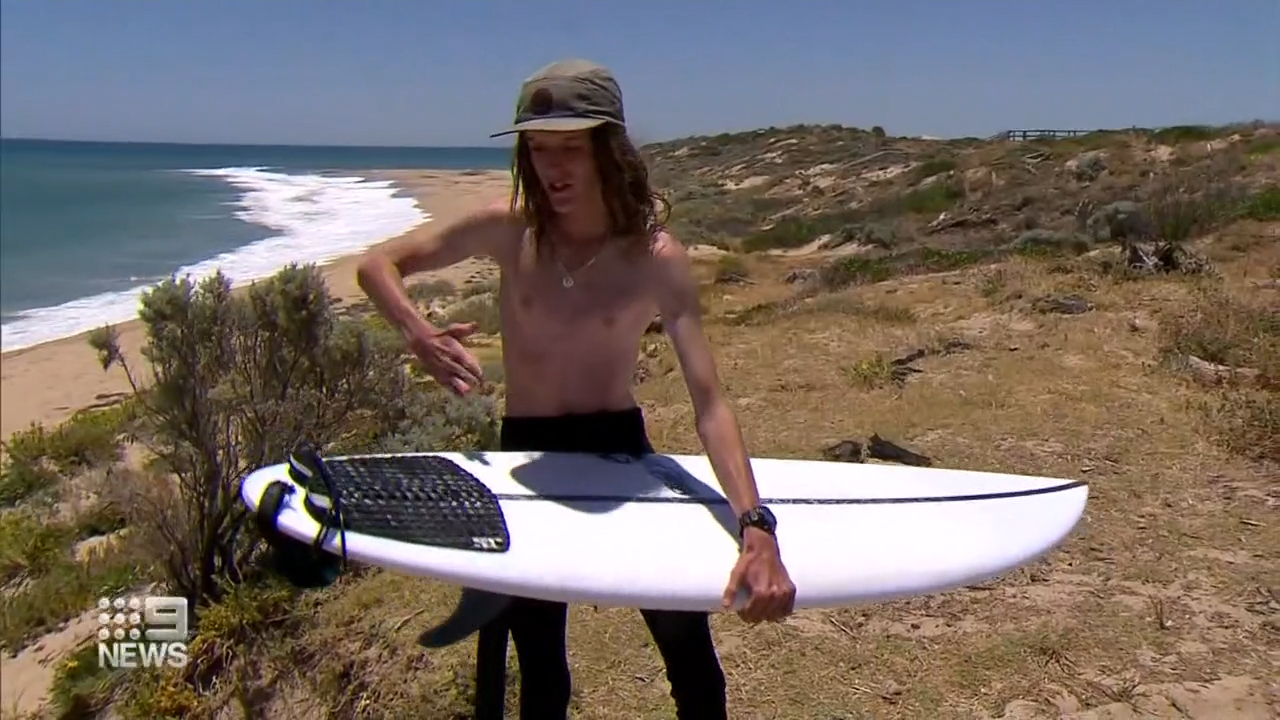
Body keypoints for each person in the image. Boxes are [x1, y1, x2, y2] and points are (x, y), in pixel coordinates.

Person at [355, 58, 796, 720]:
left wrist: (755, 523)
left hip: (620, 452)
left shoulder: (654, 256)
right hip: (525, 459)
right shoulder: (510, 230)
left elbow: (710, 402)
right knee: (538, 670)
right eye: (537, 148)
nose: (551, 167)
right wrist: (418, 333)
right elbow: (376, 264)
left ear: (608, 150)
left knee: (690, 657)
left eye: (569, 148)